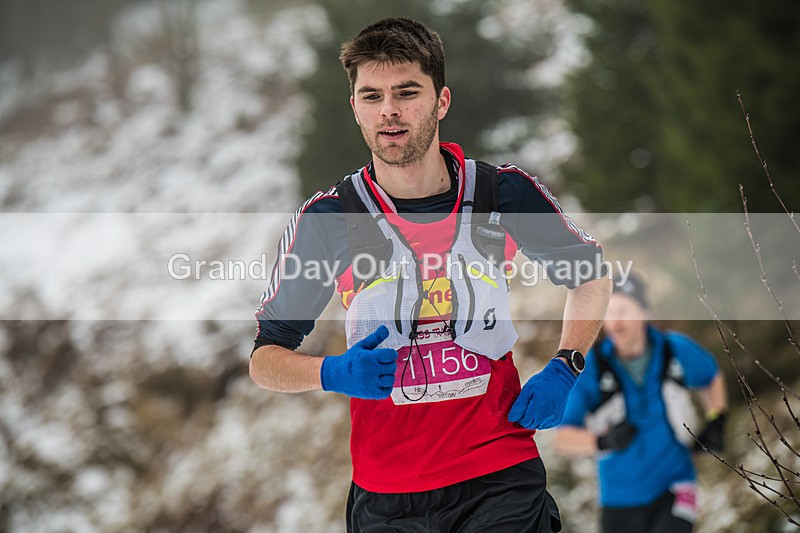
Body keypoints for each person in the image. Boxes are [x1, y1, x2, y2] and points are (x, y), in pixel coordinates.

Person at [249, 17, 612, 532]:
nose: (389, 110)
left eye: (406, 92)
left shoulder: (500, 194)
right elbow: (265, 360)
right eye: (371, 96)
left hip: (499, 475)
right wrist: (329, 373)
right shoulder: (330, 220)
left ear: (441, 101)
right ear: (354, 107)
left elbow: (591, 275)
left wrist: (566, 366)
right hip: (387, 495)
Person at [554, 273, 728, 533]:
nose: (615, 322)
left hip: (676, 484)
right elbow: (562, 438)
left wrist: (717, 419)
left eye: (624, 310)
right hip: (619, 499)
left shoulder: (675, 349)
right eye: (608, 313)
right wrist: (603, 441)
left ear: (644, 312)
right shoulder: (592, 368)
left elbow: (711, 376)